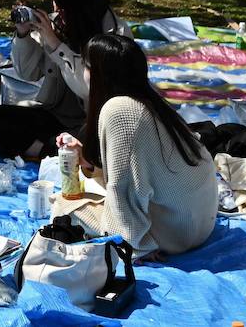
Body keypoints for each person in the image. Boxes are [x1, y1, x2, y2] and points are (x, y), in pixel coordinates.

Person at [54, 35, 216, 258]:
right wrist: (87, 162)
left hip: (176, 234)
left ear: (98, 75)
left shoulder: (119, 110)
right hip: (199, 223)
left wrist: (135, 246)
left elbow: (124, 188)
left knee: (62, 206)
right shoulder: (149, 101)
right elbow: (139, 171)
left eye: (86, 66)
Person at [0, 0, 130, 159]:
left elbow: (88, 87)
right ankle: (53, 150)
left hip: (96, 125)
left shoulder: (115, 35)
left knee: (95, 144)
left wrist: (56, 45)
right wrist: (23, 35)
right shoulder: (57, 24)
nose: (55, 7)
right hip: (55, 117)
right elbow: (27, 73)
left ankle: (55, 151)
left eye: (57, 1)